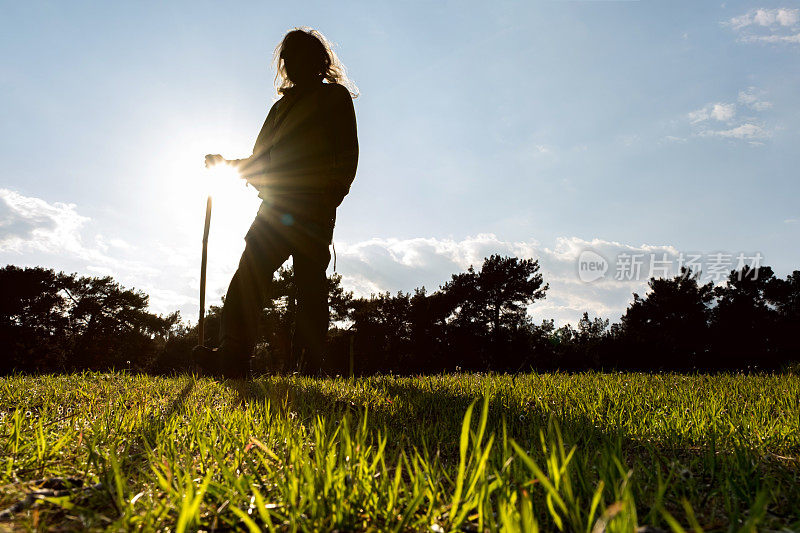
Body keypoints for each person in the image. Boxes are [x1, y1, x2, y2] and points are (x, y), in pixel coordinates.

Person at [193, 27, 358, 378]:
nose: (289, 63)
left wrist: (332, 194)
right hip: (276, 205)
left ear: (319, 61)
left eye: (298, 55)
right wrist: (228, 165)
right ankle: (232, 356)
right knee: (250, 272)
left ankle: (307, 365)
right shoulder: (281, 108)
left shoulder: (334, 98)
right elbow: (261, 160)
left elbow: (347, 153)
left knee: (309, 282)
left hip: (313, 204)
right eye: (287, 57)